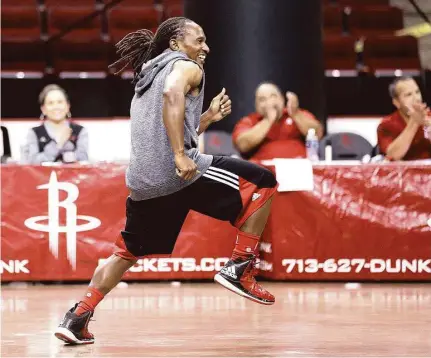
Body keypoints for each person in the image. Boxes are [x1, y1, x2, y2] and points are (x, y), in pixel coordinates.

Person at [54, 17, 278, 345]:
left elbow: (166, 122)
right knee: (263, 182)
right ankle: (240, 266)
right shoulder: (187, 68)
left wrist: (207, 119)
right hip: (179, 173)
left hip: (144, 182)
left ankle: (77, 317)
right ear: (175, 44)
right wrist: (180, 156)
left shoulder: (147, 75)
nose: (206, 47)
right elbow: (173, 95)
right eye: (198, 40)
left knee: (125, 252)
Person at [232, 82, 323, 161]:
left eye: (273, 96)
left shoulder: (296, 114)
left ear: (282, 99)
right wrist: (268, 120)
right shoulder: (249, 120)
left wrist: (295, 115)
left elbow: (318, 133)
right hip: (264, 171)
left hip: (299, 167)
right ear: (256, 105)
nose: (269, 102)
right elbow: (242, 145)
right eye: (262, 99)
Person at [22, 84, 89, 164]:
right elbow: (32, 161)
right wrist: (59, 144)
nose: (56, 107)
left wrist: (66, 158)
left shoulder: (80, 131)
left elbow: (83, 158)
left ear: (67, 106)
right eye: (50, 103)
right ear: (43, 109)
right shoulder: (34, 132)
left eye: (60, 102)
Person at [377, 77, 431, 161]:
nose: (416, 98)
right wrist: (414, 122)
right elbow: (394, 156)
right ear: (397, 102)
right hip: (401, 173)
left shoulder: (429, 116)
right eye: (408, 94)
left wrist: (428, 125)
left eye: (417, 92)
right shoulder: (386, 125)